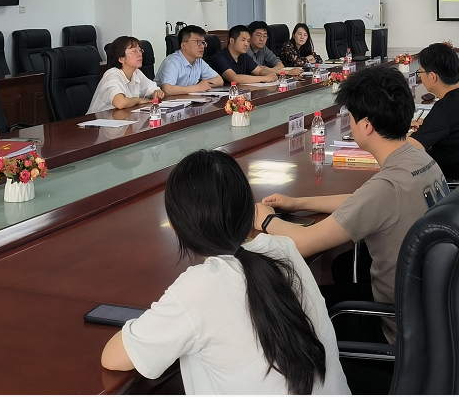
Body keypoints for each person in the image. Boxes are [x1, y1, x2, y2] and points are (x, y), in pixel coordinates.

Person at [101, 150, 348, 395]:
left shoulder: (198, 288)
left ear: (175, 228)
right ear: (250, 212)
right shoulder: (284, 249)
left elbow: (114, 358)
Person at [253, 65, 448, 346]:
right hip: (427, 310)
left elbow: (303, 243)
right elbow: (362, 202)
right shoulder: (418, 158)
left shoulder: (387, 187)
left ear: (366, 125)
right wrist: (296, 203)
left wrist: (266, 219)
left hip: (395, 329)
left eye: (351, 117)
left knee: (290, 308)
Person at [408, 43, 459, 180]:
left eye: (420, 72)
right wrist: (428, 126)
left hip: (452, 180)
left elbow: (411, 149)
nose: (420, 77)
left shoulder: (445, 107)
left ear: (432, 76)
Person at [88, 36, 165, 114]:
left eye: (140, 50)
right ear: (121, 59)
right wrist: (138, 100)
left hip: (121, 117)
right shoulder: (112, 75)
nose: (139, 54)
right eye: (134, 51)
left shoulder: (136, 73)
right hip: (97, 119)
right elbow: (120, 103)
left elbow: (152, 88)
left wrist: (157, 92)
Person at [156, 25, 224, 95]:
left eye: (203, 43)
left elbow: (219, 80)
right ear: (183, 45)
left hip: (187, 99)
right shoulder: (172, 62)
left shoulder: (199, 61)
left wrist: (204, 85)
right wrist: (197, 87)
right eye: (198, 42)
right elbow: (167, 89)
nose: (202, 46)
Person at [208, 25, 279, 85]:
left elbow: (259, 71)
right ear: (232, 41)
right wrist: (265, 78)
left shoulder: (243, 56)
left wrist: (272, 75)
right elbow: (235, 79)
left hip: (241, 93)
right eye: (243, 40)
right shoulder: (220, 58)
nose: (246, 44)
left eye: (248, 41)